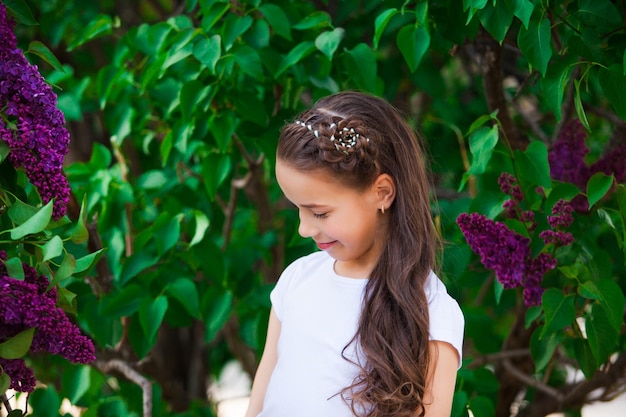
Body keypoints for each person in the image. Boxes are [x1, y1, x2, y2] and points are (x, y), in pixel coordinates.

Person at [244, 91, 464, 417]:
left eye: (319, 213)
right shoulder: (297, 280)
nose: (304, 228)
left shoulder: (430, 311)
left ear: (382, 193)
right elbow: (261, 399)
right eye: (297, 210)